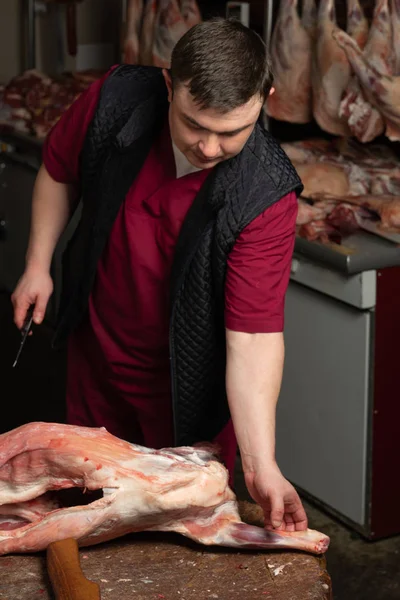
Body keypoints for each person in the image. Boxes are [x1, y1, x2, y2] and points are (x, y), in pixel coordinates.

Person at [12, 18, 307, 532]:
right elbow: (60, 171)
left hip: (189, 387)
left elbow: (255, 338)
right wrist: (39, 264)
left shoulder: (265, 194)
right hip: (98, 354)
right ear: (169, 85)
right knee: (82, 510)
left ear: (267, 99)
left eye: (231, 132)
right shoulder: (118, 98)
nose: (210, 148)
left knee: (178, 526)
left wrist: (262, 464)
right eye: (195, 125)